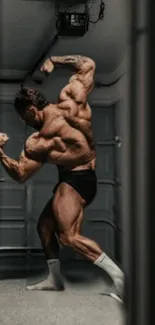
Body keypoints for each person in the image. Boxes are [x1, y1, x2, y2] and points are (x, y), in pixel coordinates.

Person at [0, 55, 124, 301]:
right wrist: (54, 60)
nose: (26, 124)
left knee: (68, 237)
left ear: (31, 110)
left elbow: (20, 174)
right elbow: (88, 64)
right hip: (80, 177)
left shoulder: (39, 142)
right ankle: (54, 279)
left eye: (25, 119)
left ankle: (121, 280)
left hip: (76, 181)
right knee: (45, 226)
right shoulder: (71, 101)